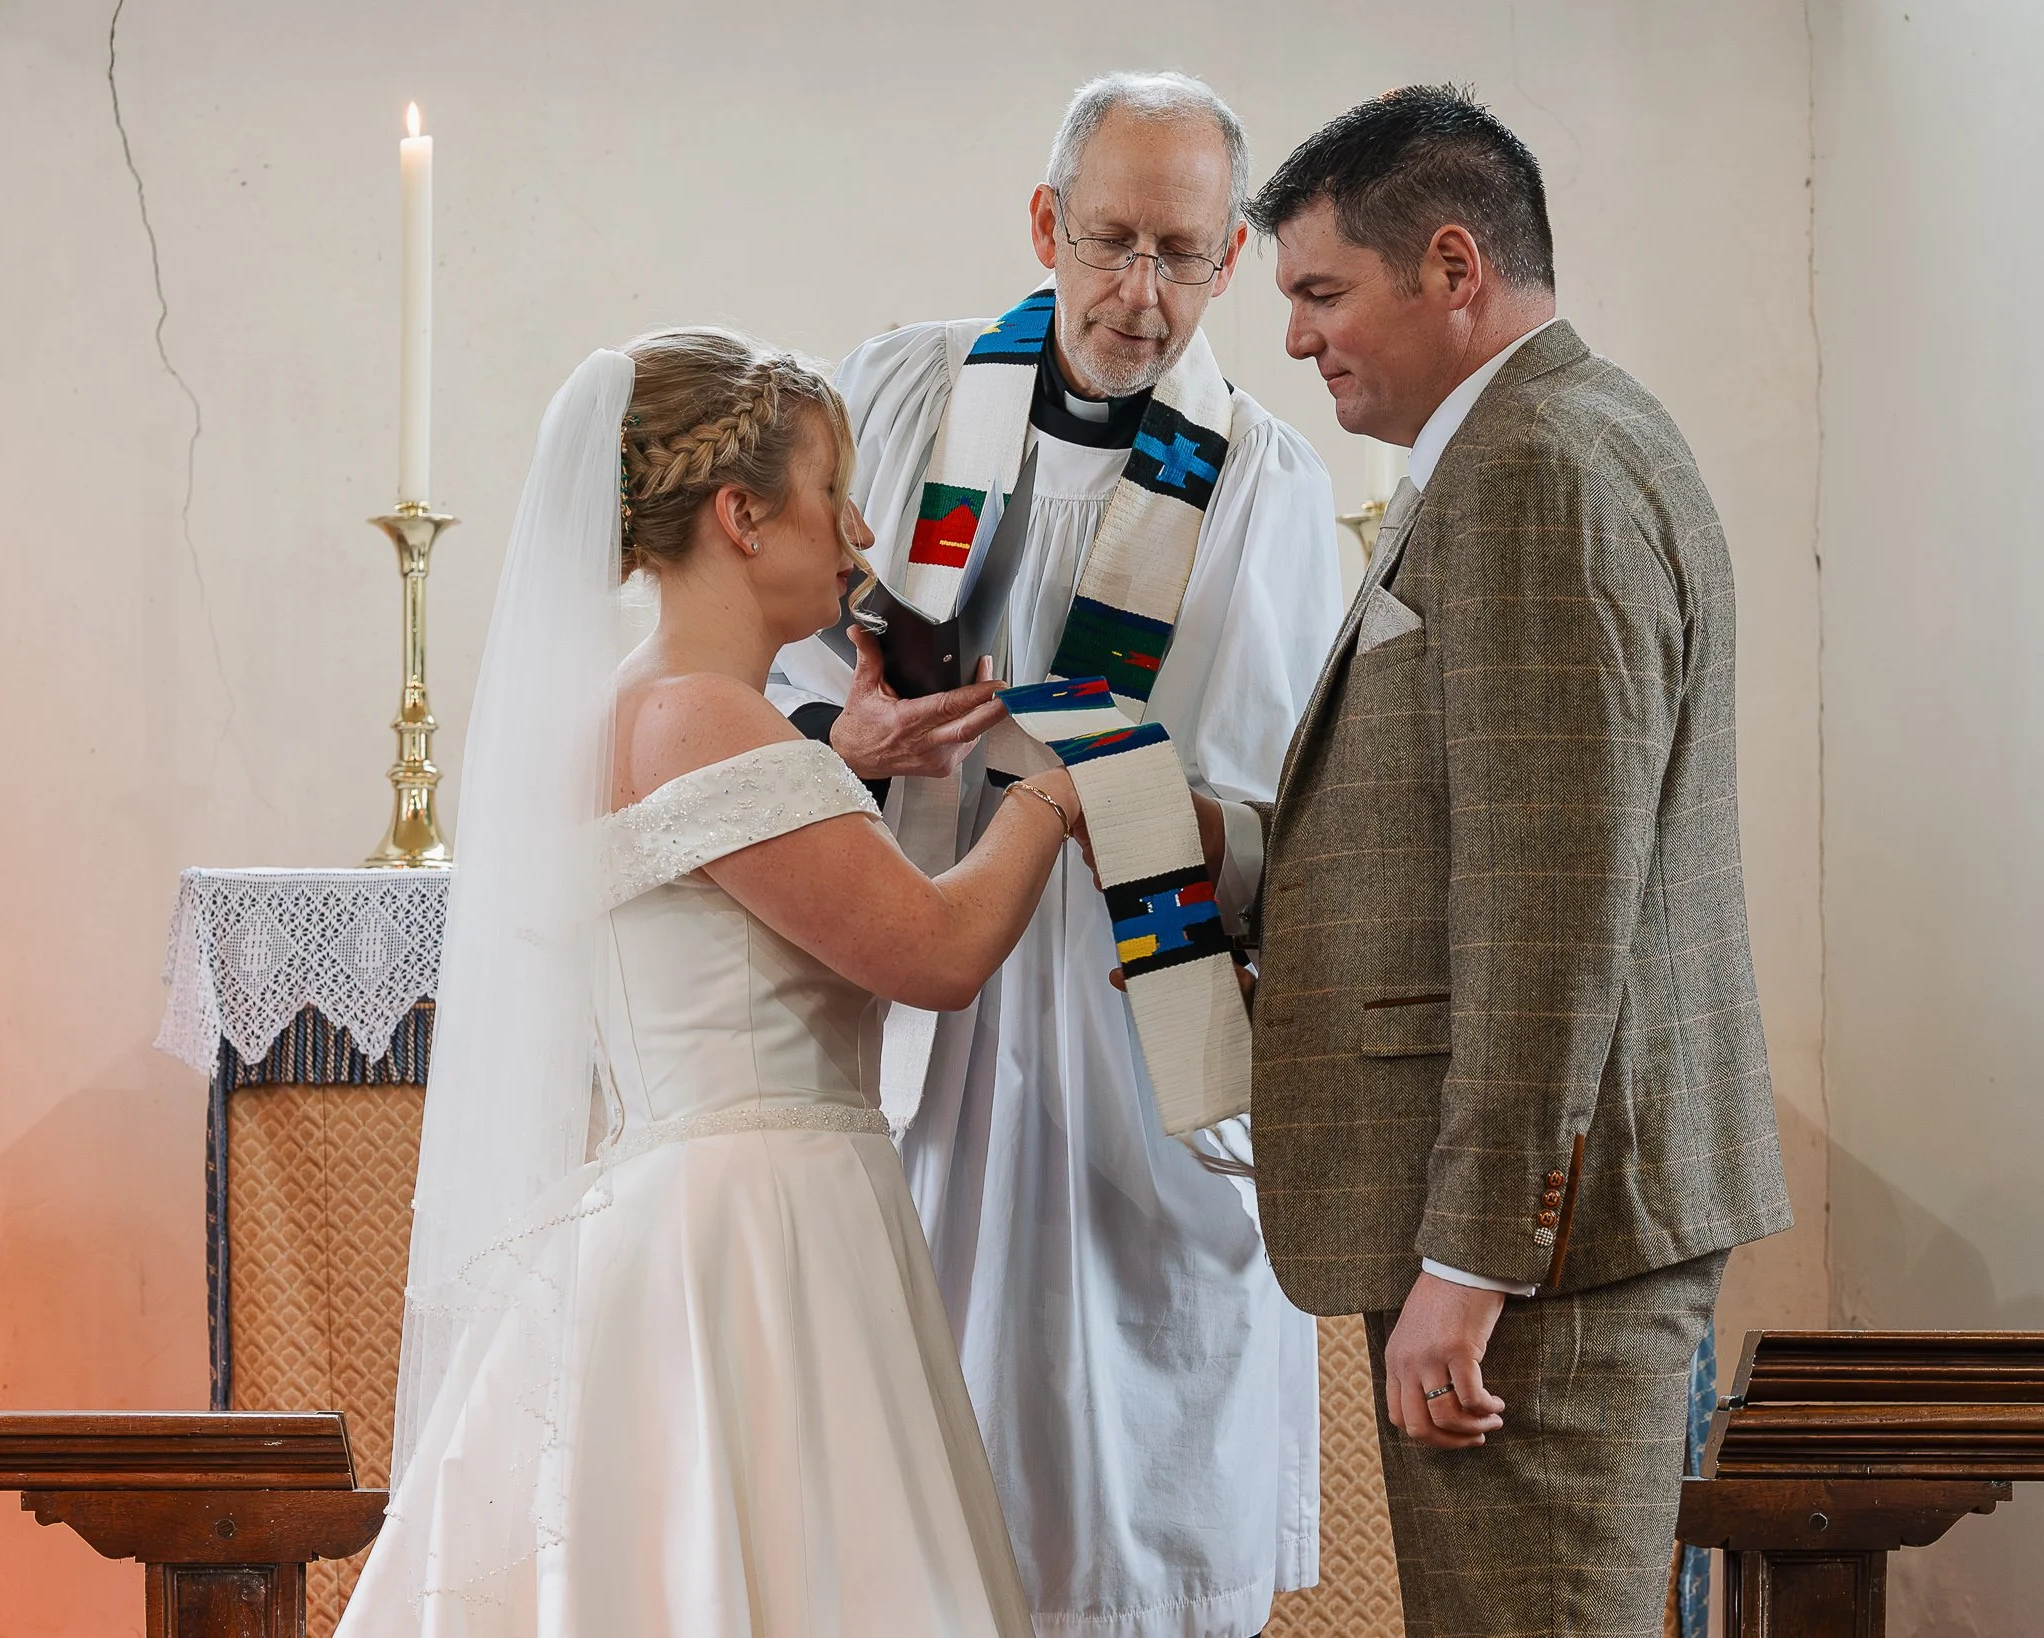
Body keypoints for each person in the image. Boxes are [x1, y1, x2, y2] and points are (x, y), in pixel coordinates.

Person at [337, 329, 1090, 1637]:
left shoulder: (640, 708)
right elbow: (937, 953)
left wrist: (840, 761)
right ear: (741, 514)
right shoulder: (706, 715)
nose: (861, 527)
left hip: (684, 1208)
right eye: (829, 485)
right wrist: (1046, 796)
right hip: (761, 1229)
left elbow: (734, 907)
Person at [1195, 86, 1795, 1637]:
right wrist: (1229, 847)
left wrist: (1473, 1258)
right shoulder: (1540, 440)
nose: (1298, 340)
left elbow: (1550, 899)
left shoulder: (1536, 470)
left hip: (1548, 1255)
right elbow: (1468, 824)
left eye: (1322, 293)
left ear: (1451, 266)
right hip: (1559, 1234)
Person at [769, 71, 1340, 1638]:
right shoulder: (895, 398)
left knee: (1121, 1491)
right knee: (917, 1484)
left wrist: (1136, 805)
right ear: (1044, 225)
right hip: (914, 989)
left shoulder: (1266, 489)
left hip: (1128, 1029)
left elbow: (1299, 813)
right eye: (1108, 243)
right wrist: (856, 739)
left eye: (1179, 253)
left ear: (1230, 261)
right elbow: (772, 675)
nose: (1139, 296)